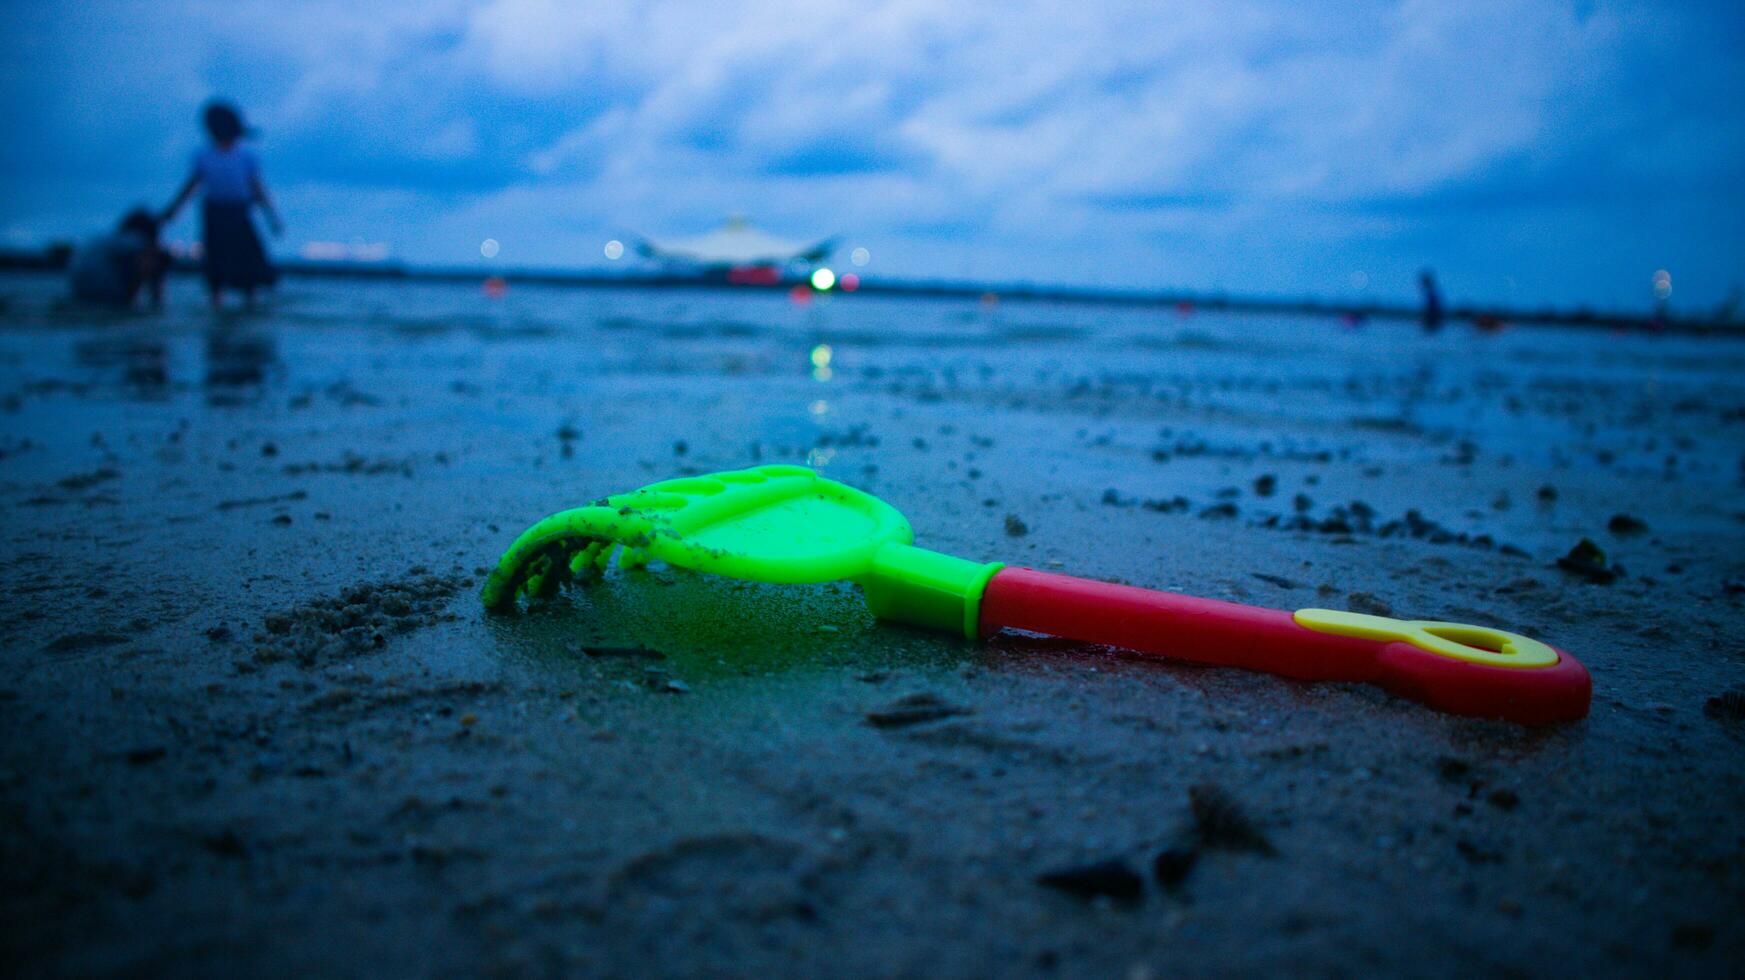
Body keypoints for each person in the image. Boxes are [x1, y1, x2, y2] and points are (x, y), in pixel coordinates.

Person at [161, 101, 281, 309]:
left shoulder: (246, 157)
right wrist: (173, 211)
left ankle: (250, 306)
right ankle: (217, 304)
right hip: (215, 215)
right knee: (216, 268)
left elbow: (258, 189)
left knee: (249, 269)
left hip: (239, 214)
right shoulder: (204, 157)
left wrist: (272, 218)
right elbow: (191, 187)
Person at [68, 208, 169, 309]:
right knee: (152, 260)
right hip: (107, 292)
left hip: (78, 289)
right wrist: (157, 300)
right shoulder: (136, 241)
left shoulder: (106, 241)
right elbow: (149, 264)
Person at [1418, 268, 1444, 332]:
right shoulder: (1431, 293)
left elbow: (1433, 309)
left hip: (1433, 321)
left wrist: (1426, 319)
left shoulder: (1431, 294)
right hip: (1433, 320)